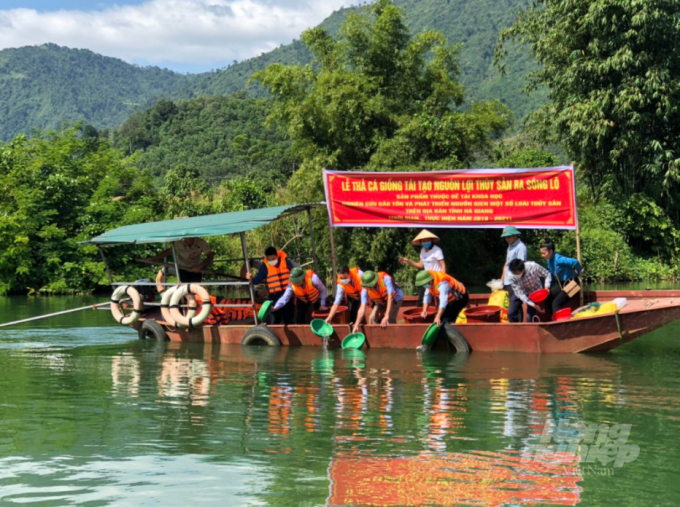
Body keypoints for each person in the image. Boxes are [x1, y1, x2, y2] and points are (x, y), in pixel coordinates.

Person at [247, 247, 295, 324]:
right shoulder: (264, 267)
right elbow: (257, 280)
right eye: (269, 260)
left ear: (276, 256)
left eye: (273, 259)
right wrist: (250, 278)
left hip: (287, 294)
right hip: (274, 296)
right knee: (275, 320)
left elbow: (294, 274)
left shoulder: (286, 262)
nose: (271, 261)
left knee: (289, 319)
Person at [143, 237, 214, 283]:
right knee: (183, 287)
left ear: (192, 237)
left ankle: (194, 304)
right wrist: (154, 258)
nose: (185, 241)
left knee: (195, 288)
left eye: (187, 239)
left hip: (196, 269)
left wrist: (200, 266)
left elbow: (210, 256)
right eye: (184, 239)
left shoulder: (201, 242)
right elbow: (169, 251)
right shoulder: (179, 242)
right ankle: (183, 304)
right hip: (182, 268)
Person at [540, 240, 583, 315]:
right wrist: (548, 288)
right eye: (541, 253)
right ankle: (553, 318)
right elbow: (551, 275)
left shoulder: (558, 259)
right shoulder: (548, 260)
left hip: (572, 284)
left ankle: (559, 322)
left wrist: (580, 272)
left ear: (550, 251)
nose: (542, 255)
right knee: (548, 298)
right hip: (562, 284)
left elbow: (575, 262)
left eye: (544, 253)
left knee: (555, 303)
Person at [500, 226, 528, 323]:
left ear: (515, 235)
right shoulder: (510, 246)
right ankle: (515, 325)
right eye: (505, 237)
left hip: (516, 281)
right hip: (508, 281)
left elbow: (520, 266)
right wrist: (502, 279)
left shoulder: (521, 247)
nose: (506, 239)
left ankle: (518, 326)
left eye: (508, 236)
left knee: (515, 306)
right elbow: (507, 262)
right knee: (514, 305)